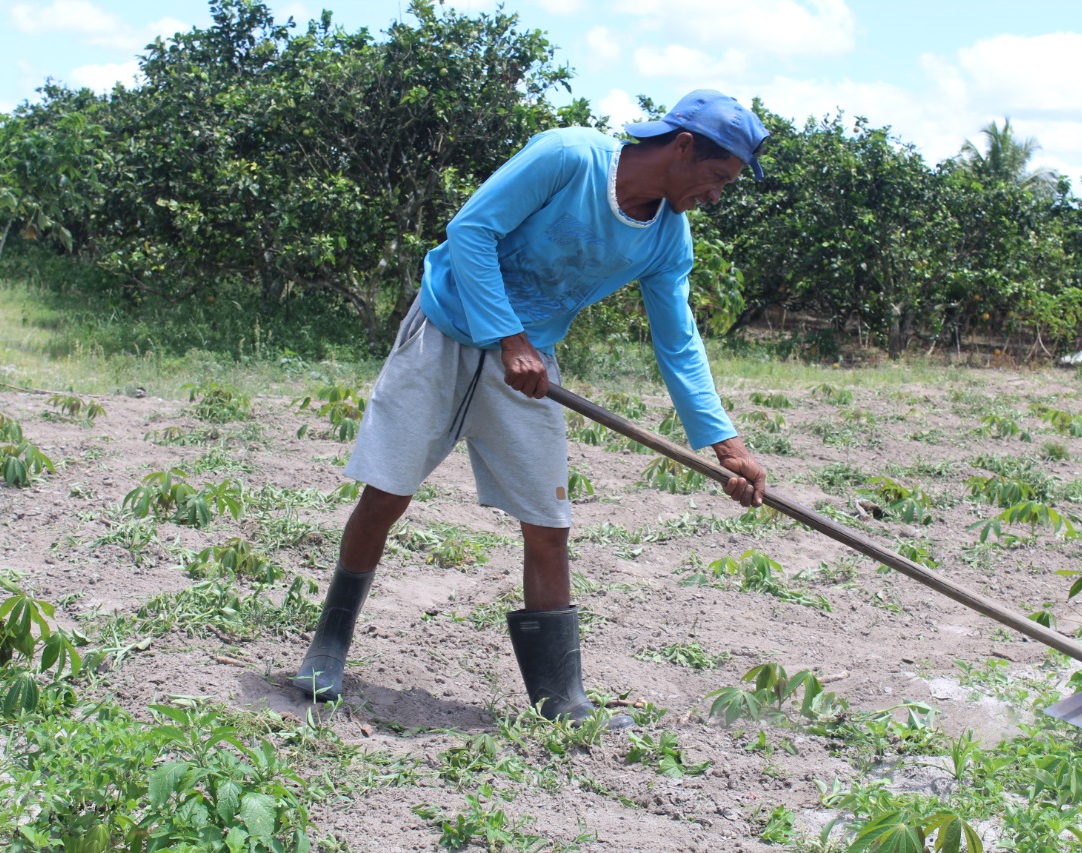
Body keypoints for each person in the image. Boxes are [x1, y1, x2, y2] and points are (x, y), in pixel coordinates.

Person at [293, 89, 770, 726]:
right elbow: (471, 231)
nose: (716, 196)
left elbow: (678, 342)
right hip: (446, 332)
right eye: (716, 178)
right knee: (388, 492)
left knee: (549, 522)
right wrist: (507, 336)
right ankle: (328, 647)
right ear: (682, 146)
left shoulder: (665, 239)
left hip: (529, 369)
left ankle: (561, 698)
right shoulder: (569, 157)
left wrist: (726, 445)